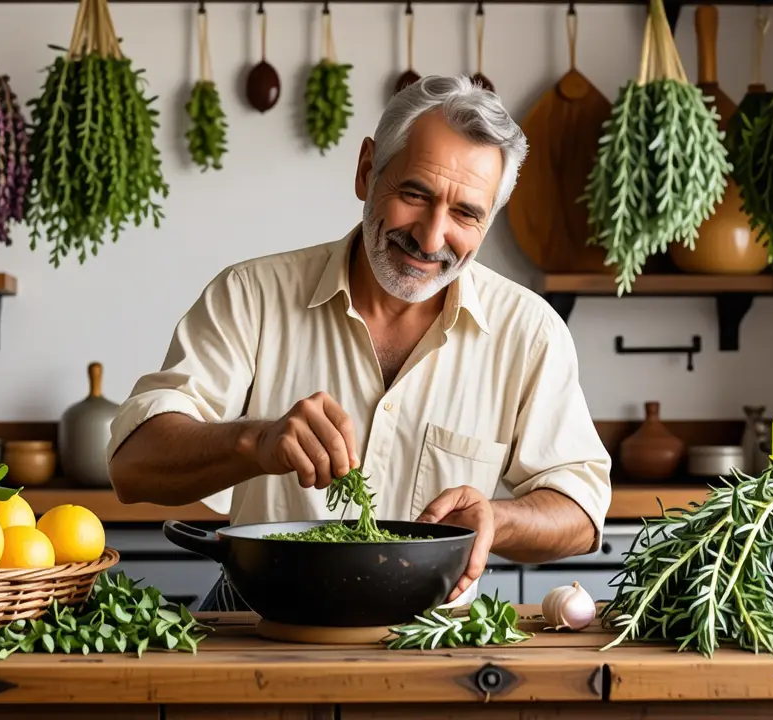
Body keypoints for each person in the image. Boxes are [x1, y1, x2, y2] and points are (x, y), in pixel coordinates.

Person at [107, 75, 612, 612]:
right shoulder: (251, 294)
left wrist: (497, 517)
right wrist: (255, 442)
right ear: (368, 170)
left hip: (430, 641)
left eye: (466, 213)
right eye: (415, 194)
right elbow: (132, 465)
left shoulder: (528, 331)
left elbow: (580, 512)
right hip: (260, 627)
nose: (432, 237)